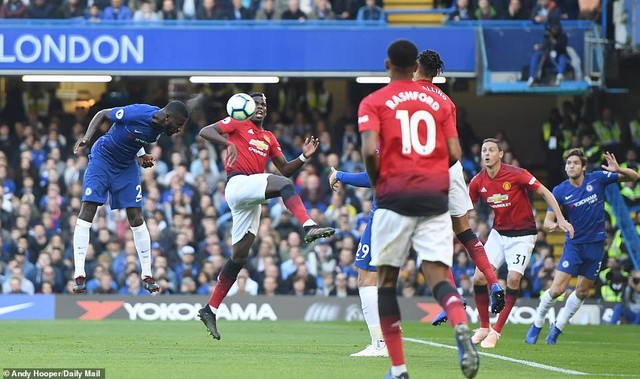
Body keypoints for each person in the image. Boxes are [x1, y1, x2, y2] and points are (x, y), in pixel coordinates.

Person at [359, 39, 479, 379]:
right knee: (439, 275)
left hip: (394, 196)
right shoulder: (440, 102)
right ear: (415, 64)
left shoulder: (374, 101)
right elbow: (455, 152)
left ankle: (398, 368)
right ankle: (460, 323)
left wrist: (379, 180)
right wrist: (431, 170)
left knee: (385, 281)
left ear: (388, 65)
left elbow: (370, 151)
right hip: (434, 195)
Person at [196, 92, 335, 341]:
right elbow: (206, 131)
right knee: (282, 185)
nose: (260, 107)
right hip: (238, 184)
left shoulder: (268, 137)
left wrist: (303, 157)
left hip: (250, 196)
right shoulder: (237, 123)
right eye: (256, 103)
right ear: (247, 107)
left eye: (264, 104)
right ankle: (309, 225)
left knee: (239, 257)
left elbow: (285, 169)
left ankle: (210, 309)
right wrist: (228, 144)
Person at [413, 49, 505, 327]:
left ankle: (451, 299)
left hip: (427, 169)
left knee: (431, 237)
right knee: (464, 230)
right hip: (452, 167)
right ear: (437, 72)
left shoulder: (408, 94)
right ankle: (493, 282)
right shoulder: (447, 102)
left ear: (417, 67)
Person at [72, 100, 189, 294]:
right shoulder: (138, 112)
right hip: (103, 158)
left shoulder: (160, 128)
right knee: (88, 210)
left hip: (126, 166)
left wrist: (141, 155)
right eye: (177, 125)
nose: (178, 130)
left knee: (136, 217)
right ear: (167, 117)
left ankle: (147, 275)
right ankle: (79, 274)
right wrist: (87, 137)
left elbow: (136, 137)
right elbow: (102, 113)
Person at [468, 138, 574, 348]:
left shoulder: (517, 174)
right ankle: (483, 327)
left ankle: (496, 331)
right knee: (478, 278)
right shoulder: (477, 182)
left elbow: (544, 191)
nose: (487, 153)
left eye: (491, 150)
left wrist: (560, 218)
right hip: (498, 234)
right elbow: (465, 207)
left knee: (513, 280)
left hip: (523, 235)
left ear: (501, 154)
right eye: (484, 151)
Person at [526, 149, 638, 343]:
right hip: (574, 246)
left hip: (595, 246)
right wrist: (559, 226)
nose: (571, 166)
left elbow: (635, 176)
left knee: (583, 291)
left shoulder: (597, 179)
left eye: (575, 163)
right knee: (557, 290)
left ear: (583, 167)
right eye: (568, 163)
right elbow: (547, 222)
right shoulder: (560, 191)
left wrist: (619, 169)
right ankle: (536, 324)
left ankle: (557, 329)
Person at [328, 166, 388, 357]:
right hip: (389, 217)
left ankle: (380, 343)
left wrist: (339, 175)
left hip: (382, 218)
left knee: (366, 279)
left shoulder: (388, 141)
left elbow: (372, 176)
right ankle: (385, 335)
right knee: (373, 277)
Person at [527, 19, 570, 86]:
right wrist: (541, 47)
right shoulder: (548, 36)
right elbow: (546, 48)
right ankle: (532, 77)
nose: (554, 30)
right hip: (549, 59)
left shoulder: (562, 37)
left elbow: (562, 48)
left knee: (563, 57)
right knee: (536, 56)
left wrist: (555, 43)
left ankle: (560, 76)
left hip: (558, 59)